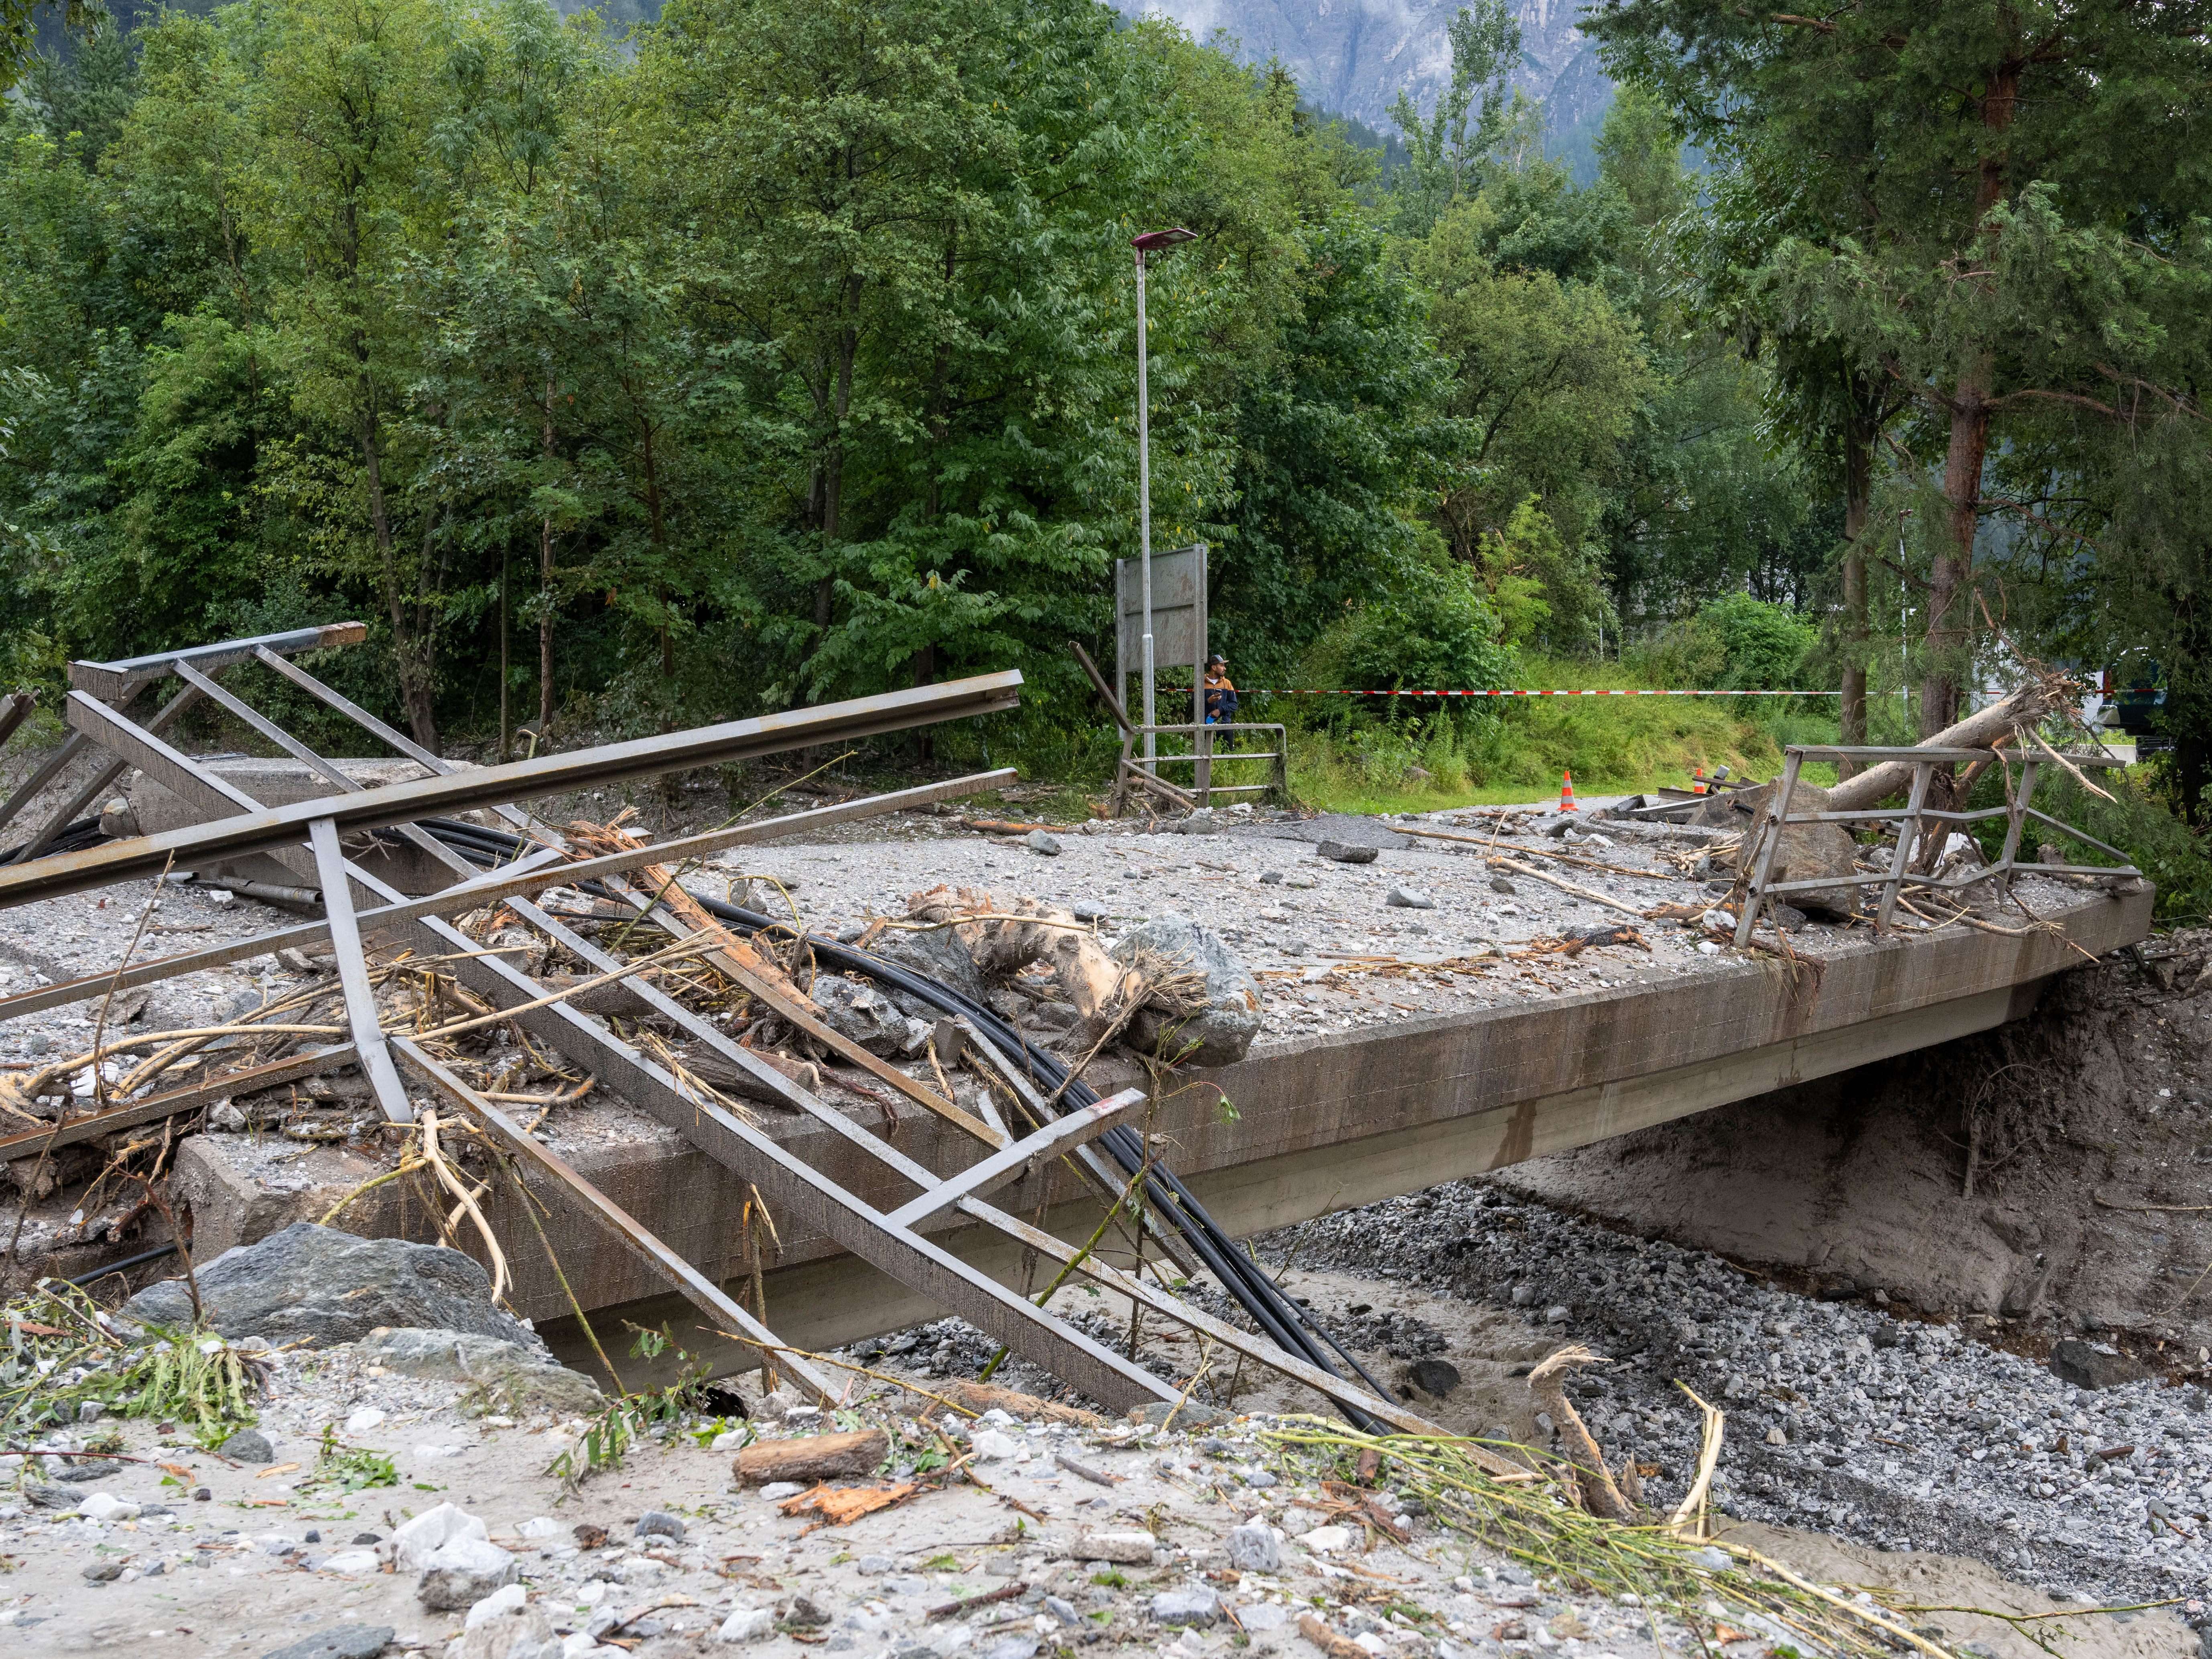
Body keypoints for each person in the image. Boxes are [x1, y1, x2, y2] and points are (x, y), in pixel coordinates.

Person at [1203, 653, 1239, 750]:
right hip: (1206, 727)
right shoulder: (1200, 683)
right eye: (1222, 666)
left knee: (1228, 758)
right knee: (1207, 758)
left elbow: (1234, 705)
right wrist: (1208, 701)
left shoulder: (1227, 683)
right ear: (1214, 668)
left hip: (1225, 726)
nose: (1225, 668)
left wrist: (1220, 710)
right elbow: (1192, 705)